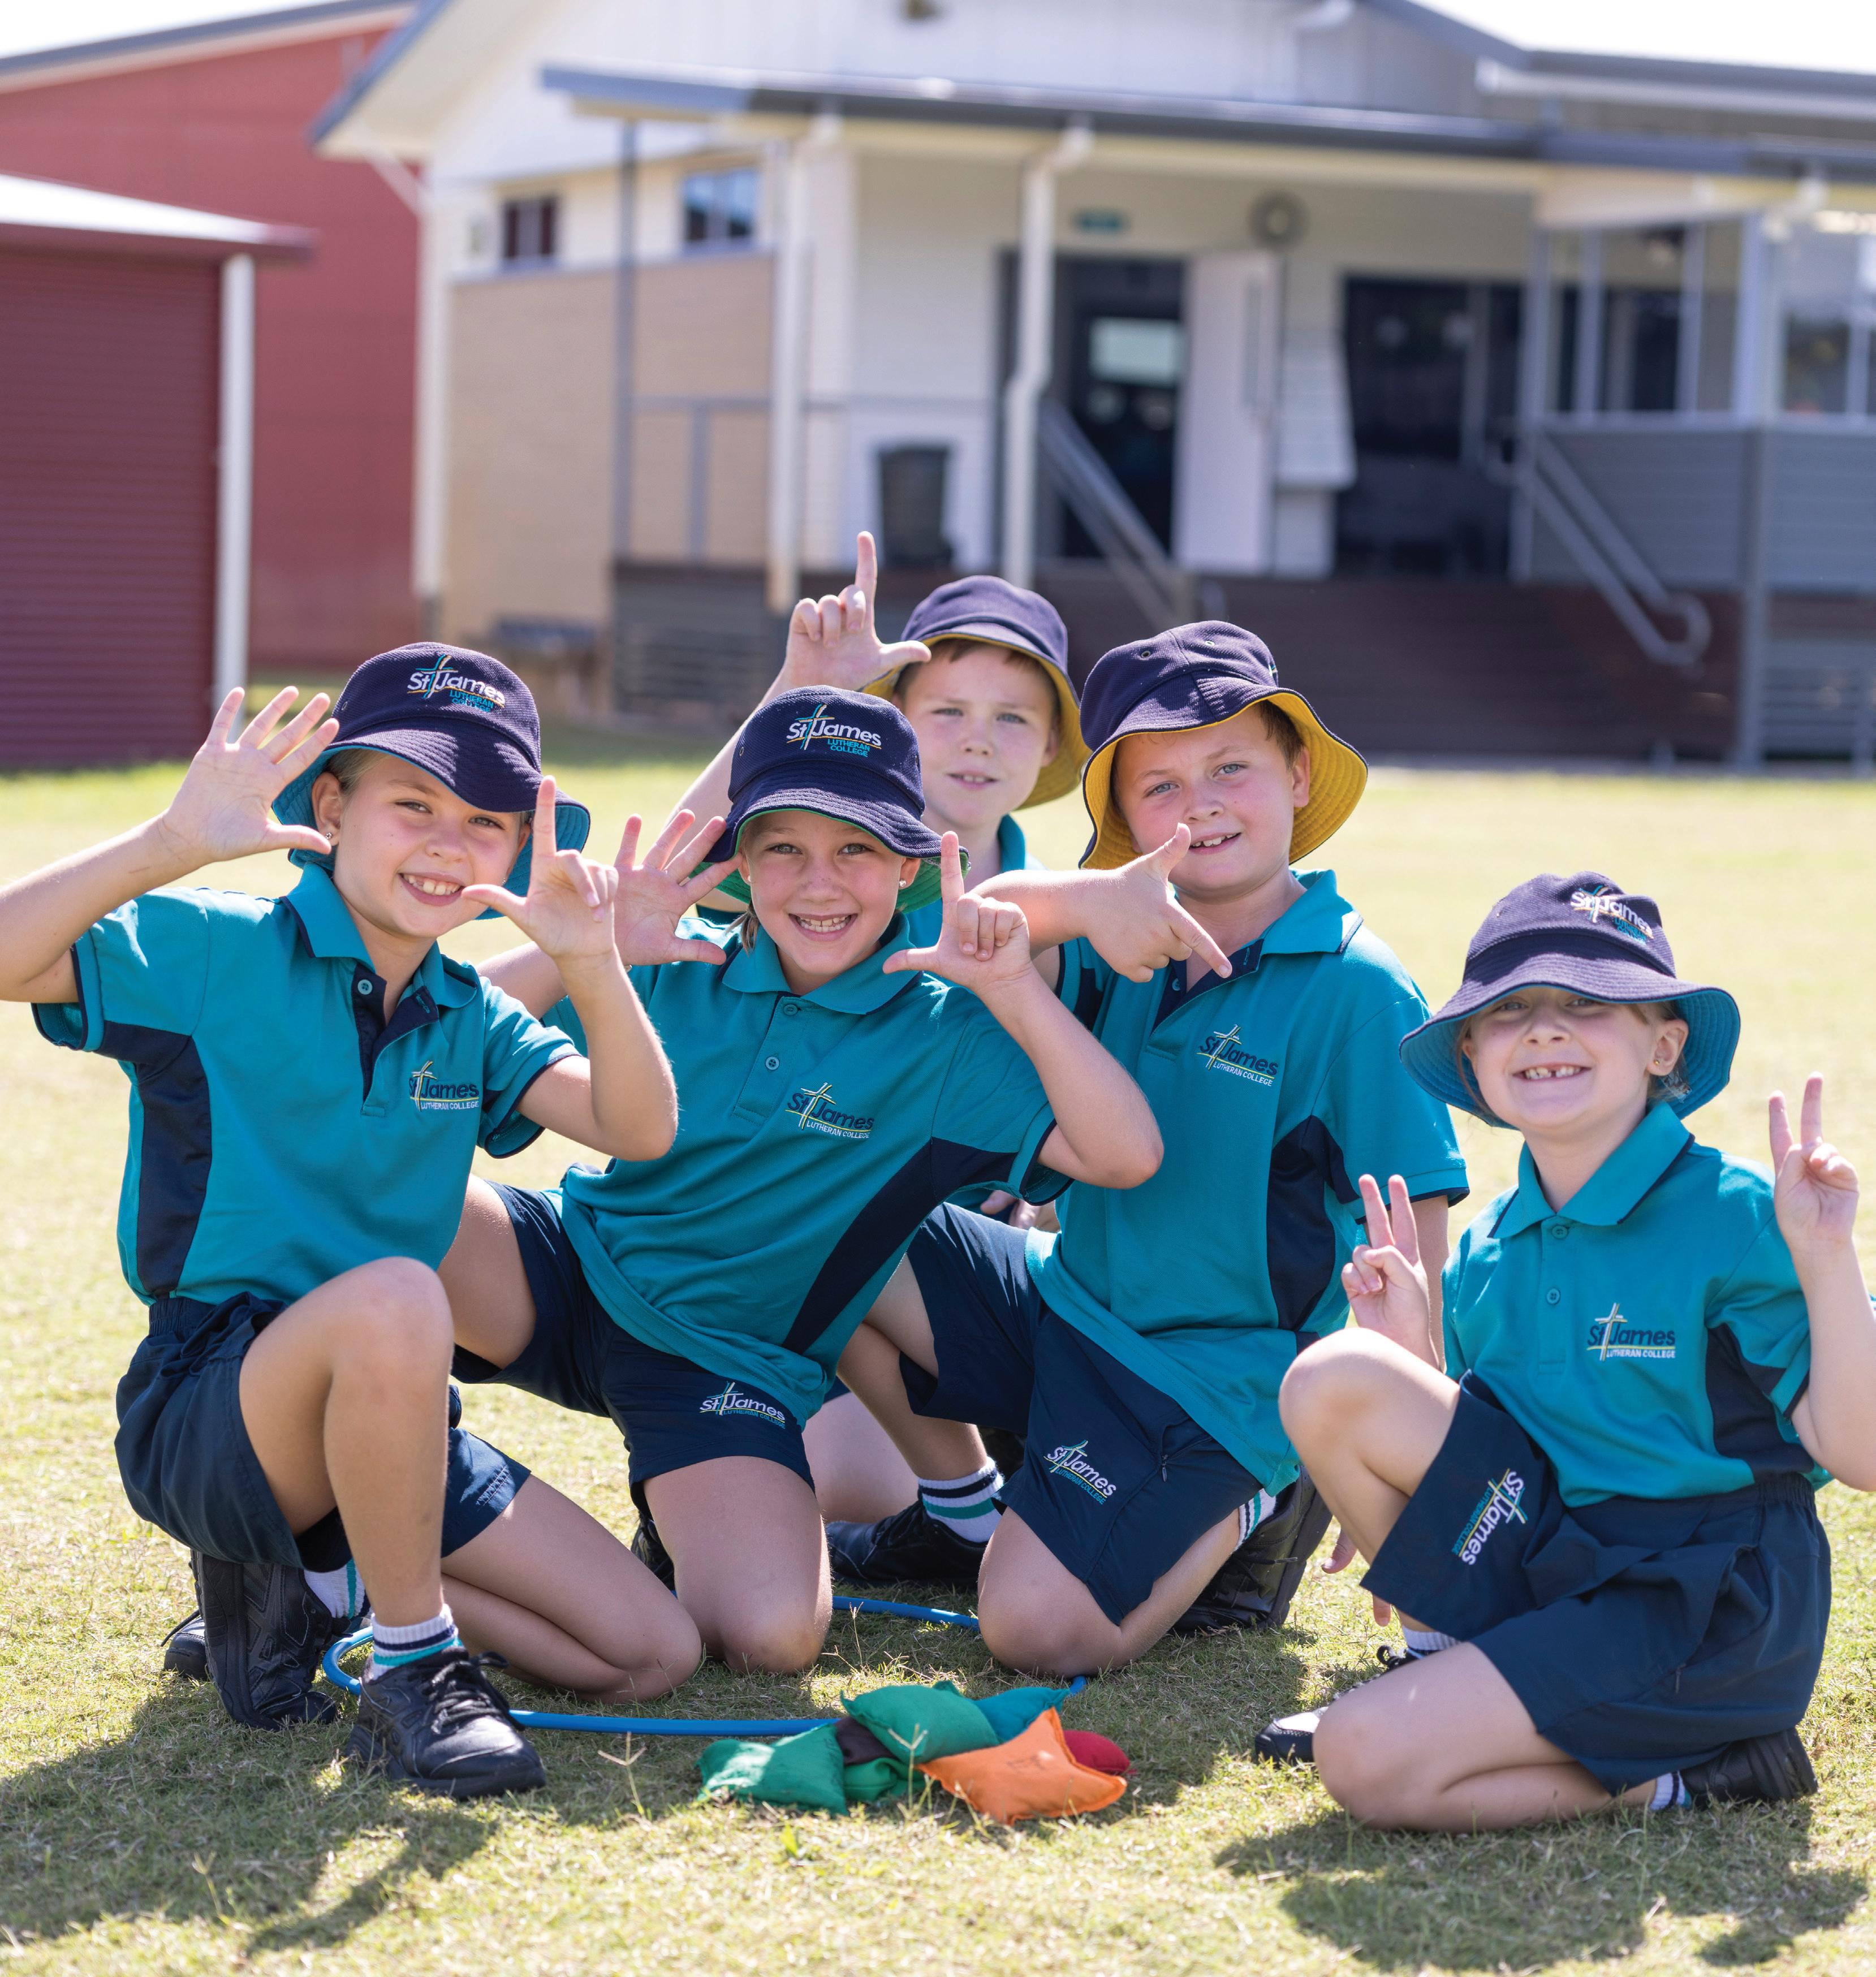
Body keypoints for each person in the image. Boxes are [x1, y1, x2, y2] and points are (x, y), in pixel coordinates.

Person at [1, 650, 702, 1795]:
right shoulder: (219, 947)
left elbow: (639, 1126)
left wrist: (591, 960)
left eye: (486, 823)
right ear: (330, 809)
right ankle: (413, 1664)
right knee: (399, 1294)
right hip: (212, 1404)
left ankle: (335, 1594)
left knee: (648, 1653)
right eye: (413, 804)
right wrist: (167, 843)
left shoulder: (471, 1014)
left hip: (395, 1412)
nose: (448, 844)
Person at [442, 685, 1163, 1678]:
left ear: (910, 863)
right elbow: (416, 1045)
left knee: (771, 1638)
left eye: (856, 849)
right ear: (739, 864)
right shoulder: (676, 957)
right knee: (371, 1208)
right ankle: (325, 1509)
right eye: (783, 848)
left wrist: (1012, 990)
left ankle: (435, 1552)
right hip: (565, 1272)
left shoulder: (943, 1029)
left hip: (724, 1364)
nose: (819, 883)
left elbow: (1124, 1155)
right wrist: (584, 956)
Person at [826, 620, 1469, 1677]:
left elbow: (1414, 1233)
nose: (1199, 804)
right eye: (1159, 786)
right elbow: (971, 921)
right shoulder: (1114, 936)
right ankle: (962, 1509)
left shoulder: (1355, 986)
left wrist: (1398, 1434)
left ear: (1297, 776)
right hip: (1066, 1302)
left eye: (1229, 768)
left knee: (1034, 1635)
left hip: (1215, 1374)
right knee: (830, 1207)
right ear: (1125, 820)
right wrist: (1089, 902)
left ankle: (1262, 1494)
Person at [1265, 871, 1875, 1828]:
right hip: (1562, 1567)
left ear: (1663, 1046)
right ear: (1471, 1058)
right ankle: (1441, 1669)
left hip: (1705, 1598)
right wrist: (1409, 1351)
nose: (1543, 1031)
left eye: (1586, 1003)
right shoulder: (1485, 1248)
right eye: (1507, 1012)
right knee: (1336, 1377)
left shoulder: (1741, 1215)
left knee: (1361, 1758)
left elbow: (1861, 1454)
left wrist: (1828, 1255)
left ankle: (1712, 1771)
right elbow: (1491, 1460)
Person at [669, 537, 1092, 1523]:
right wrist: (800, 691)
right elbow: (669, 873)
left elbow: (1086, 1138)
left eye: (1012, 719)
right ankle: (950, 1485)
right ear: (893, 718)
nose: (977, 742)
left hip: (966, 1272)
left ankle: (1002, 1449)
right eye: (947, 712)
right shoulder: (815, 874)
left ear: (1048, 751)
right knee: (845, 1496)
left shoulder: (1070, 912)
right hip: (792, 1252)